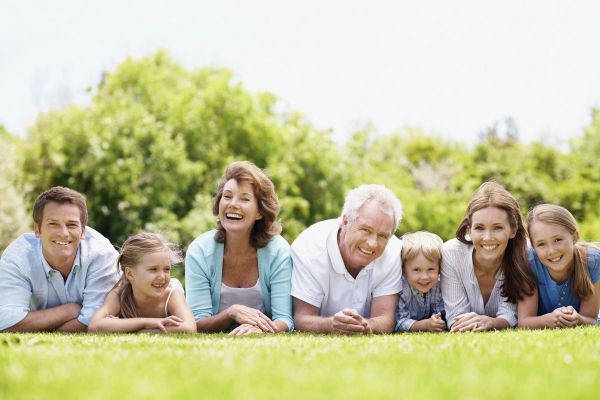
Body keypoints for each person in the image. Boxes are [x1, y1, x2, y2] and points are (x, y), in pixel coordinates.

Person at [185, 161, 293, 334]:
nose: (232, 204)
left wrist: (259, 329)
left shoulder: (278, 251)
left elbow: (285, 319)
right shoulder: (200, 251)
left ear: (259, 211)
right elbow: (197, 322)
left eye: (244, 199)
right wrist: (231, 313)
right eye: (227, 196)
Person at [0, 186, 119, 332]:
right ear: (37, 229)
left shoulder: (102, 254)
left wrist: (41, 326)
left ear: (83, 231)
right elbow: (6, 322)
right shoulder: (18, 257)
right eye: (53, 224)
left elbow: (94, 321)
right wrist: (70, 310)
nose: (63, 233)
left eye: (71, 225)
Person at [291, 184, 403, 334]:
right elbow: (302, 318)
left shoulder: (394, 250)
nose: (372, 243)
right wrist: (331, 325)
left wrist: (365, 326)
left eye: (382, 235)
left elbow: (385, 319)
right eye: (365, 230)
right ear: (345, 222)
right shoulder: (309, 247)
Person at [441, 182, 536, 332]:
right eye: (479, 228)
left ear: (512, 230)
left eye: (497, 228)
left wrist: (492, 323)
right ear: (469, 230)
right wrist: (471, 323)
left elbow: (510, 314)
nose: (488, 237)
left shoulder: (525, 253)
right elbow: (456, 318)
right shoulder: (451, 253)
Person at [88, 232, 196, 333]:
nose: (162, 276)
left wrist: (139, 330)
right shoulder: (119, 295)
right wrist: (147, 322)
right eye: (153, 269)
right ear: (130, 274)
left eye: (167, 269)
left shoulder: (172, 296)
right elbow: (94, 326)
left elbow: (189, 328)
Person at [517, 204, 600, 328]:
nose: (551, 251)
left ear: (575, 237)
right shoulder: (529, 262)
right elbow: (524, 322)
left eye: (558, 240)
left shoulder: (592, 261)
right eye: (541, 244)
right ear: (533, 247)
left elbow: (590, 319)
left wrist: (578, 319)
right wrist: (549, 320)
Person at [395, 231, 445, 332]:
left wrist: (438, 321)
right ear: (404, 270)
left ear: (439, 268)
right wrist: (426, 324)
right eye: (416, 270)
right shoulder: (401, 289)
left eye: (431, 269)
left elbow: (443, 314)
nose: (424, 277)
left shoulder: (440, 285)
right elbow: (399, 323)